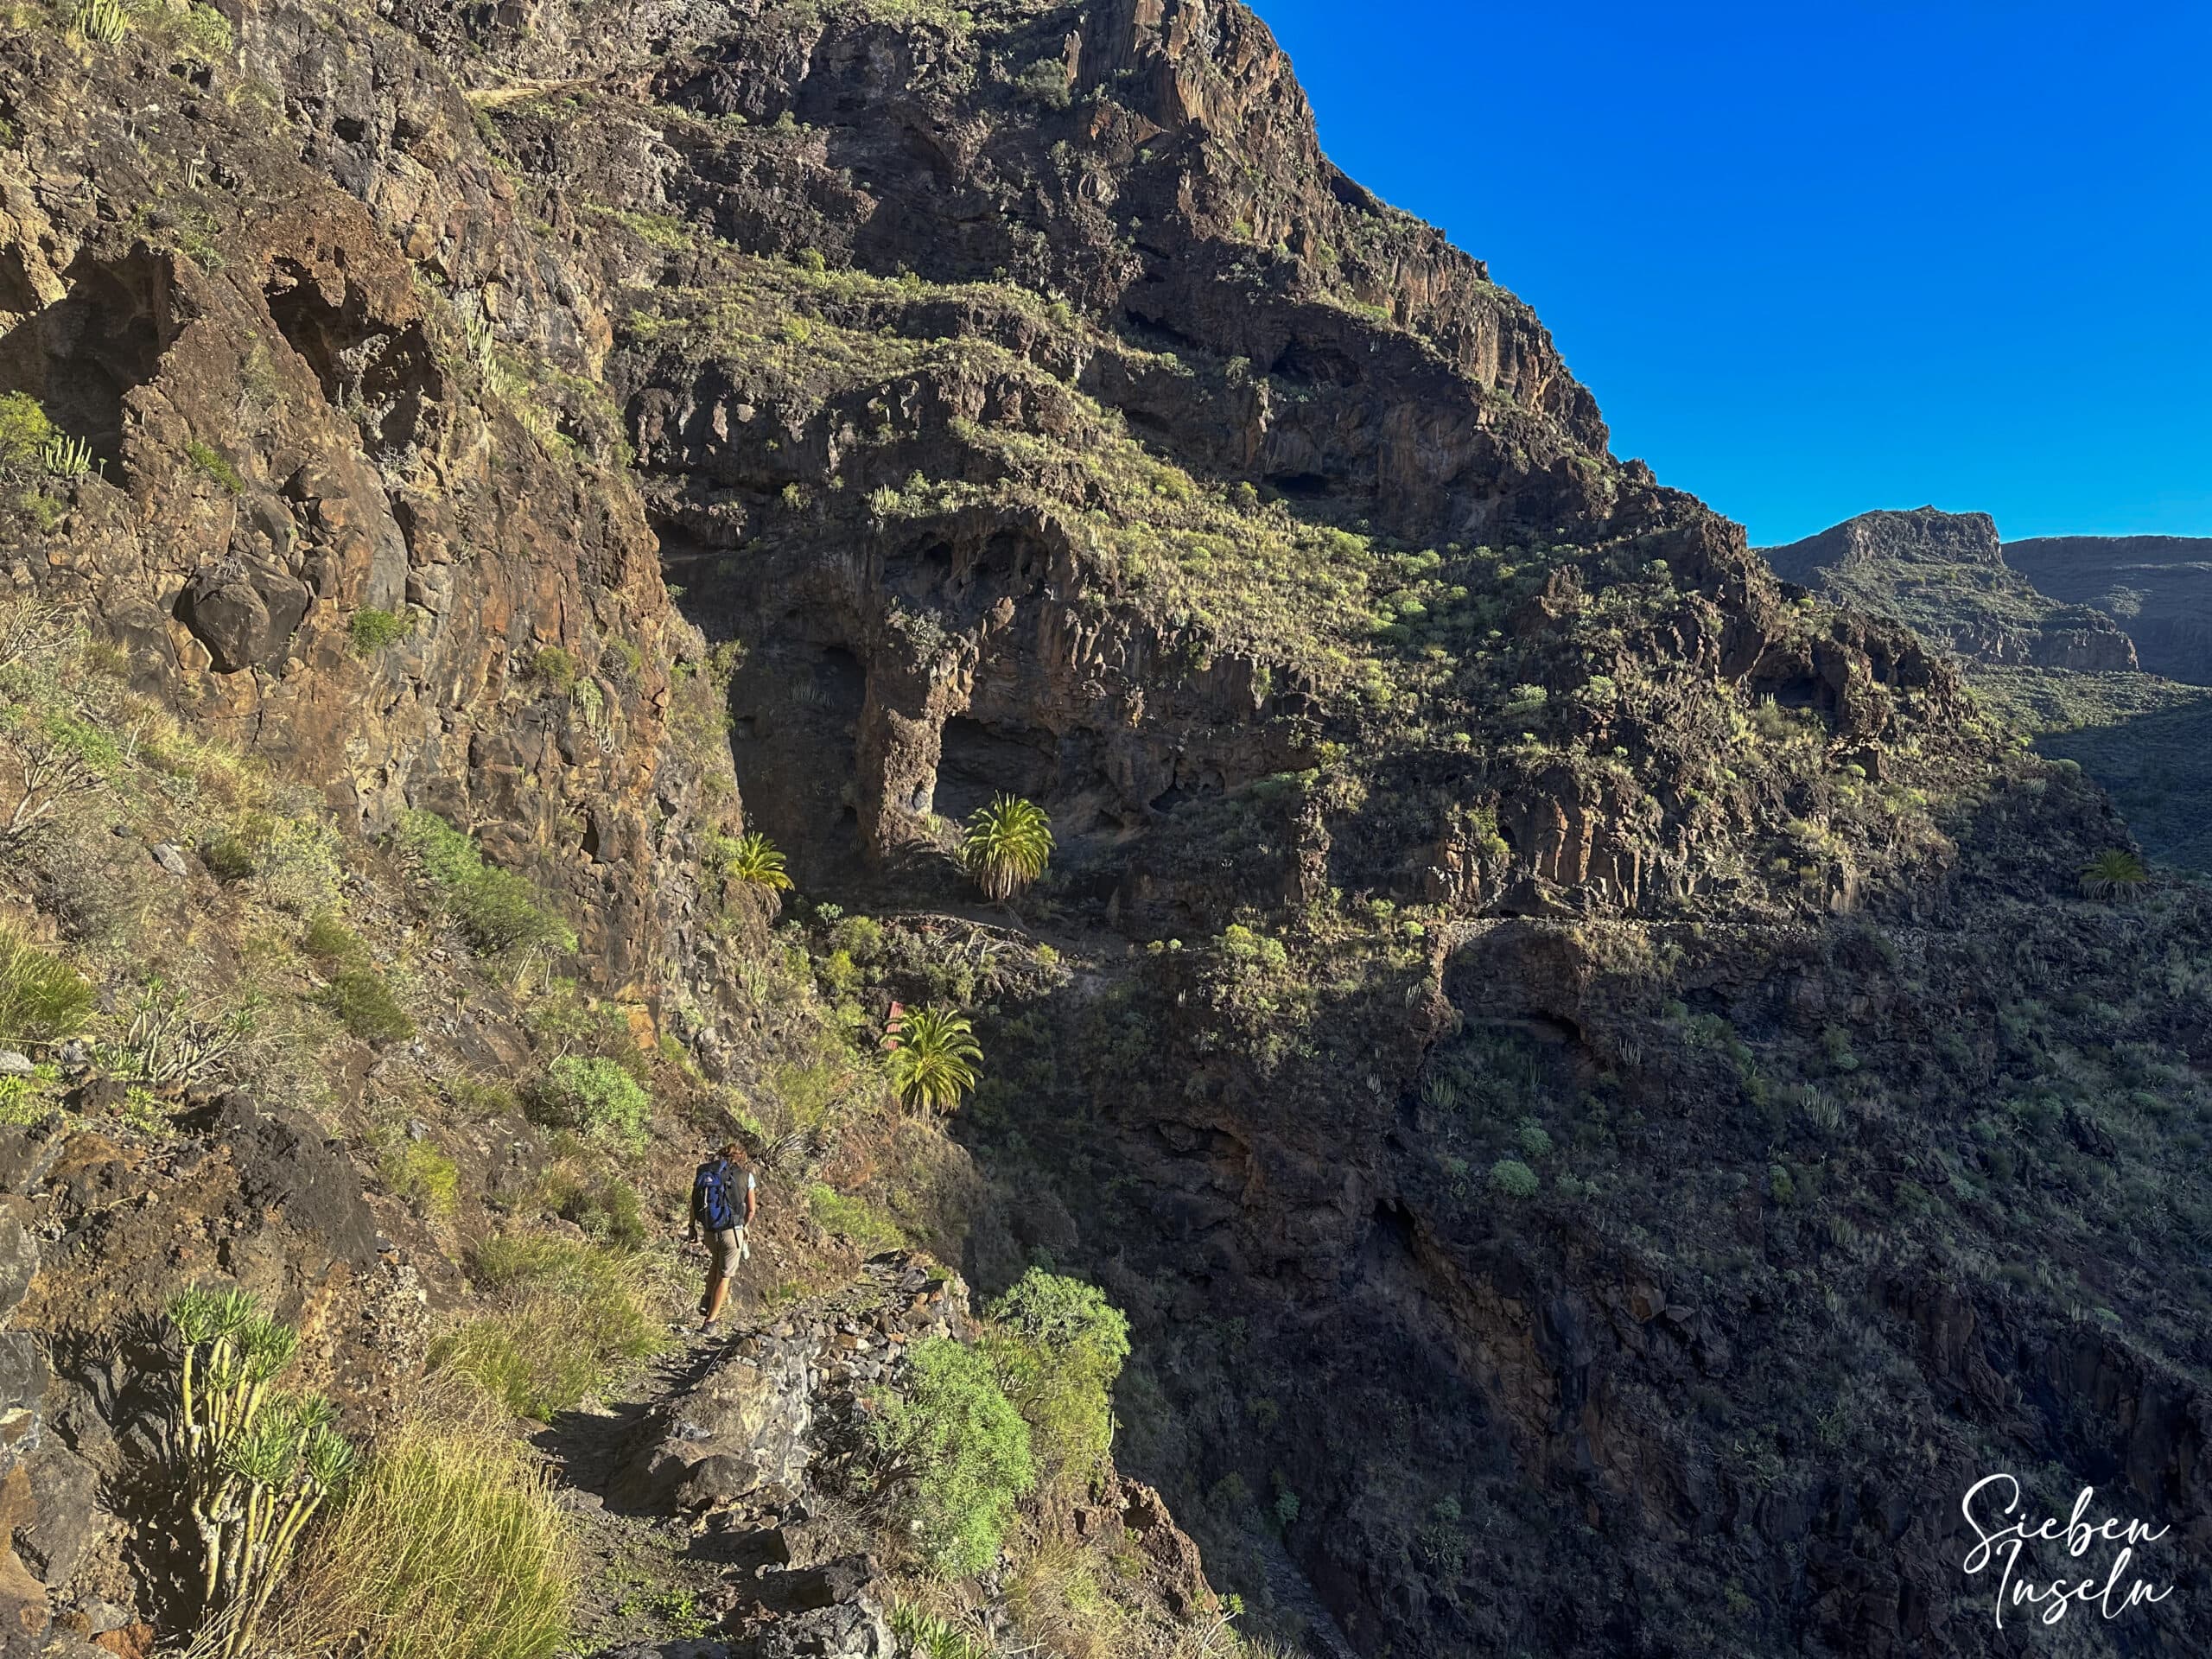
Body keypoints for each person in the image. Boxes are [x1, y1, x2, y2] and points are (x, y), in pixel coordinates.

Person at [688, 1141, 756, 1331]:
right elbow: (751, 1210)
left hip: (710, 1231)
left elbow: (694, 1203)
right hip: (732, 1232)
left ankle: (707, 1299)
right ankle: (710, 1321)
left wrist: (691, 1226)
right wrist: (744, 1225)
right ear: (740, 1157)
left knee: (716, 1262)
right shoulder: (746, 1176)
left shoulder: (705, 1172)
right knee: (725, 1276)